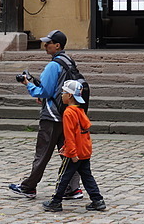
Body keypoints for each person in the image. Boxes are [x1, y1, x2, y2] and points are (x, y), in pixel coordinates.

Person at [8, 30, 82, 200]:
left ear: (57, 45)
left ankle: (28, 187)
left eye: (48, 43)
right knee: (69, 153)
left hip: (52, 116)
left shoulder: (53, 65)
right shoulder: (69, 61)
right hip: (67, 114)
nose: (45, 45)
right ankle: (73, 188)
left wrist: (28, 84)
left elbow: (45, 91)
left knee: (42, 153)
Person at [43, 80, 106, 212]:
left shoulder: (68, 113)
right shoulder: (80, 110)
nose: (61, 95)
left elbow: (70, 135)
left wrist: (71, 152)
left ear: (70, 95)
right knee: (87, 176)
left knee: (64, 176)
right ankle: (97, 200)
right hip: (84, 150)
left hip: (74, 153)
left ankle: (56, 201)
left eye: (64, 92)